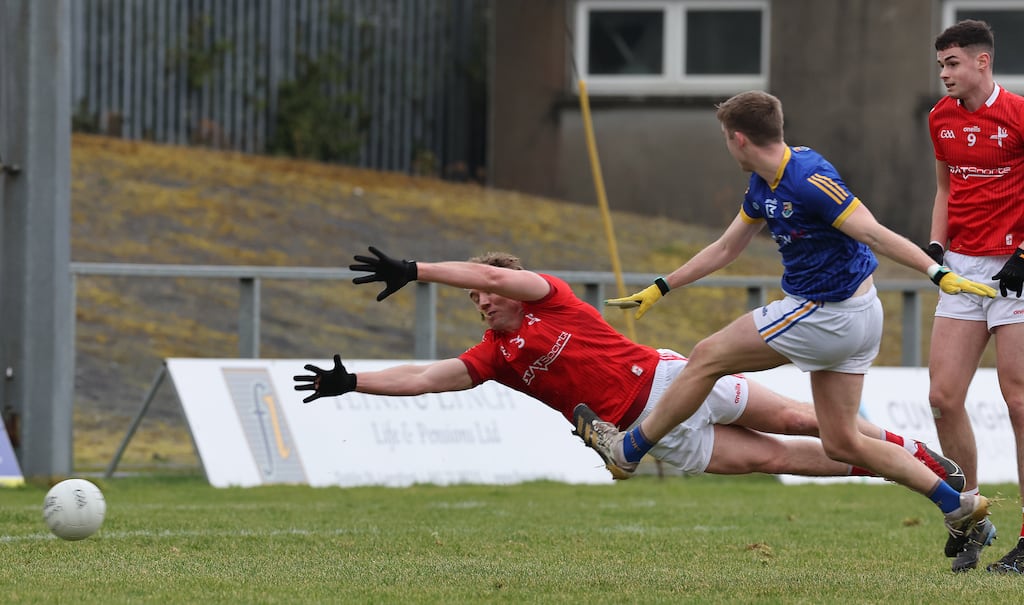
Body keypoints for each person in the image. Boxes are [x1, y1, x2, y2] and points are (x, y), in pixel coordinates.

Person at [581, 90, 997, 570]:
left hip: (826, 312)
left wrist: (936, 272)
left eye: (725, 138)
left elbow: (873, 231)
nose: (726, 146)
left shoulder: (808, 178)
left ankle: (627, 450)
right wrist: (662, 286)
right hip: (848, 317)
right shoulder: (763, 182)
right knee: (842, 442)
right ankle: (958, 505)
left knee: (708, 357)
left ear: (739, 139)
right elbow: (725, 248)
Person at [293, 246, 963, 486]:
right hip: (650, 433)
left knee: (796, 415)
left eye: (483, 289)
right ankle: (891, 466)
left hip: (676, 380)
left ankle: (918, 456)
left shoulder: (546, 297)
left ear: (511, 283)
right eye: (472, 296)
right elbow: (422, 377)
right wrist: (353, 381)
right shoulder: (493, 356)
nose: (478, 299)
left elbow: (479, 270)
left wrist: (415, 270)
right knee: (773, 458)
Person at [924, 19, 1024, 574]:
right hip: (963, 271)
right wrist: (937, 247)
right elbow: (945, 188)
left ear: (982, 62)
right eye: (941, 65)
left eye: (953, 63)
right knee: (942, 397)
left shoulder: (1019, 113)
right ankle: (972, 516)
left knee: (1019, 403)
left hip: (1017, 270)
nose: (945, 74)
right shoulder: (939, 117)